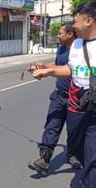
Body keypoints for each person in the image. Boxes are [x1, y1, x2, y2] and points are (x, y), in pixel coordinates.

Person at [31, 1, 96, 187]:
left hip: (94, 109)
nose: (73, 26)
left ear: (89, 21)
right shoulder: (76, 45)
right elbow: (71, 69)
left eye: (75, 22)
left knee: (93, 153)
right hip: (76, 104)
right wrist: (47, 71)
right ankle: (61, 157)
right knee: (74, 141)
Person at [27, 21, 81, 176]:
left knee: (74, 130)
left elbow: (69, 70)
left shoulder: (81, 51)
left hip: (76, 99)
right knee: (52, 126)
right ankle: (43, 161)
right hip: (59, 96)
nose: (57, 35)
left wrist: (47, 71)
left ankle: (73, 155)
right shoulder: (62, 48)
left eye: (60, 33)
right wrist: (43, 66)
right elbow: (58, 64)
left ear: (70, 34)